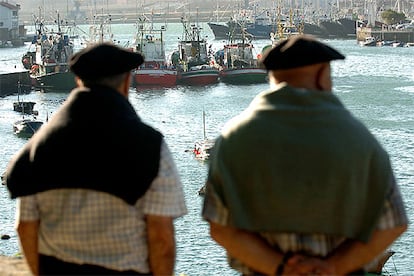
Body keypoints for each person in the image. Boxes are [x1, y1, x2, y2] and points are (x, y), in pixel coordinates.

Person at [201, 35, 408, 275]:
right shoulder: (358, 138)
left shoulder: (234, 137)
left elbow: (220, 228)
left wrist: (279, 266)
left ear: (272, 76)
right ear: (321, 76)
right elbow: (393, 224)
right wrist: (333, 266)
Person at [4, 42, 187, 275]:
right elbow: (161, 238)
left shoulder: (40, 146)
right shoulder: (149, 145)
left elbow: (25, 227)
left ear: (78, 81)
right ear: (126, 83)